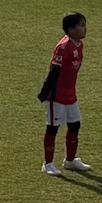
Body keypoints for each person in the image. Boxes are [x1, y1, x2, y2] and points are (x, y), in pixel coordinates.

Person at [38, 12, 91, 176]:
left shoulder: (78, 44)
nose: (85, 29)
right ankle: (48, 163)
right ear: (71, 29)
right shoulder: (63, 47)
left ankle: (70, 160)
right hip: (57, 96)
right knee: (52, 128)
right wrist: (46, 93)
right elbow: (54, 70)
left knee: (75, 125)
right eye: (81, 25)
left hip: (70, 95)